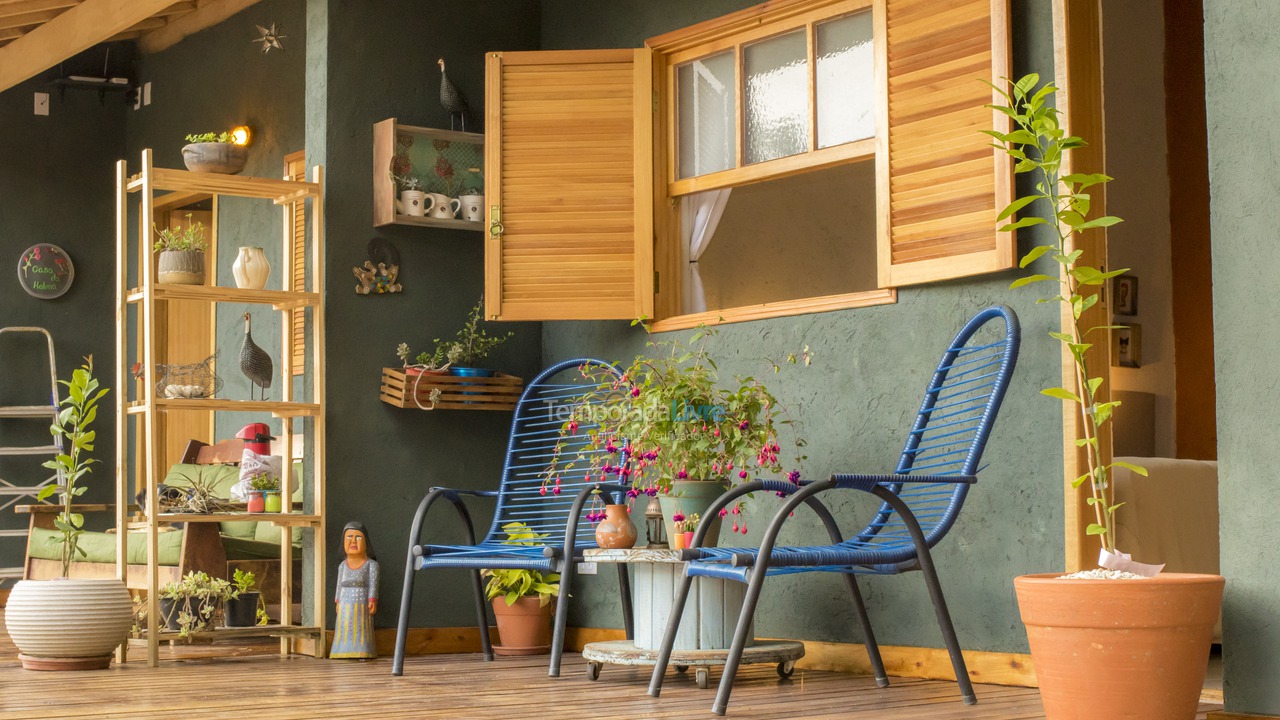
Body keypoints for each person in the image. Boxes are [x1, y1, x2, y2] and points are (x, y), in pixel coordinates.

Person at [331, 521, 379, 659]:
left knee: (361, 628)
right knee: (343, 627)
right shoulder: (342, 566)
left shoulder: (371, 565)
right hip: (345, 603)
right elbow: (339, 585)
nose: (353, 541)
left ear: (366, 542)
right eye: (349, 537)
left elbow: (373, 583)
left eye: (357, 537)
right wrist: (338, 600)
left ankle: (363, 650)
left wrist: (372, 599)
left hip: (362, 603)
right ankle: (340, 651)